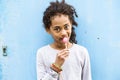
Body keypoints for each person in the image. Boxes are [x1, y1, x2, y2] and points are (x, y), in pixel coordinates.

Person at [36, 0, 92, 80]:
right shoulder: (42, 53)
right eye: (57, 29)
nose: (63, 33)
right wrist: (56, 66)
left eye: (66, 27)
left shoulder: (82, 52)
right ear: (48, 29)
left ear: (71, 24)